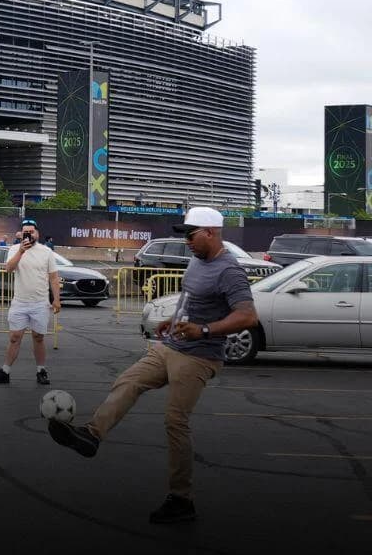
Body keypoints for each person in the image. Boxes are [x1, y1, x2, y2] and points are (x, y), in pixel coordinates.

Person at [48, 207, 258, 524]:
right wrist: (174, 320)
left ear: (211, 233)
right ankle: (91, 436)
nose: (185, 241)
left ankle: (181, 500)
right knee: (128, 381)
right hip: (172, 345)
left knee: (175, 422)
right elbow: (195, 302)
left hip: (199, 355)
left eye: (190, 234)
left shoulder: (229, 270)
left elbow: (247, 315)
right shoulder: (198, 262)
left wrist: (204, 330)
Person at [0, 218, 59, 386]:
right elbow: (8, 269)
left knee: (38, 337)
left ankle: (41, 370)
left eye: (31, 231)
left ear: (37, 233)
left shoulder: (46, 252)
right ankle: (5, 371)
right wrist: (20, 251)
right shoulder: (14, 249)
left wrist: (56, 299)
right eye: (26, 231)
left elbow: (54, 277)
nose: (29, 234)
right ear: (21, 234)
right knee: (14, 337)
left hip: (40, 302)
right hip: (19, 302)